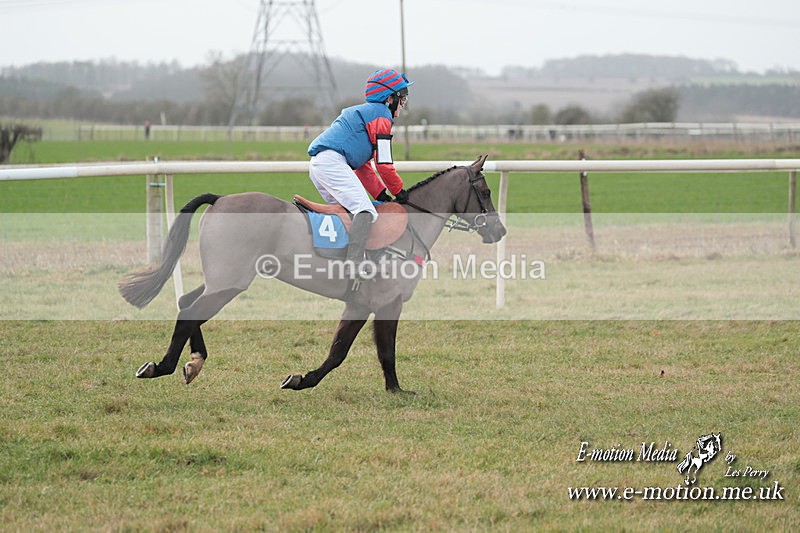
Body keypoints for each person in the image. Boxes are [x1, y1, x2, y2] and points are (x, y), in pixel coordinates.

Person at [307, 68, 412, 278]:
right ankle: (354, 264)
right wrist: (400, 192)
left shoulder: (366, 114)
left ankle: (343, 256)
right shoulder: (381, 116)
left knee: (352, 212)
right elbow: (383, 164)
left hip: (324, 164)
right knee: (365, 211)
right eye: (402, 99)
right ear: (389, 98)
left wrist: (382, 194)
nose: (403, 105)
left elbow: (363, 167)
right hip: (332, 163)